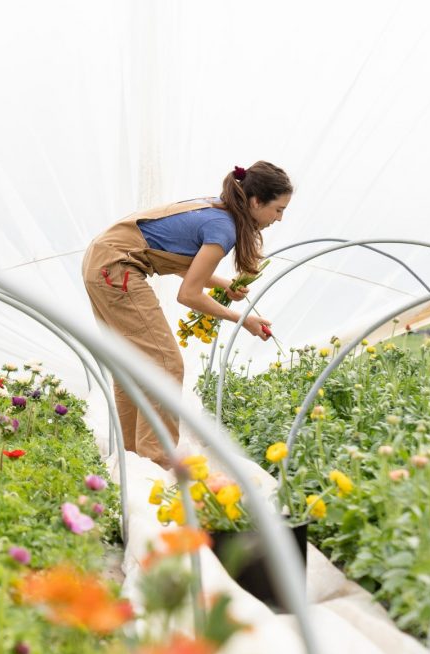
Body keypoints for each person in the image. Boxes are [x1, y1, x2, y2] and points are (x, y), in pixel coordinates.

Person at [81, 161, 293, 468]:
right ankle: (157, 460)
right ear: (256, 202)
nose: (280, 218)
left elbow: (180, 262)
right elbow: (189, 295)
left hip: (103, 262)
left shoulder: (216, 209)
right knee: (166, 364)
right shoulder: (224, 227)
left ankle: (130, 461)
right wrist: (243, 320)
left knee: (131, 365)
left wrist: (223, 284)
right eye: (278, 209)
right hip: (116, 268)